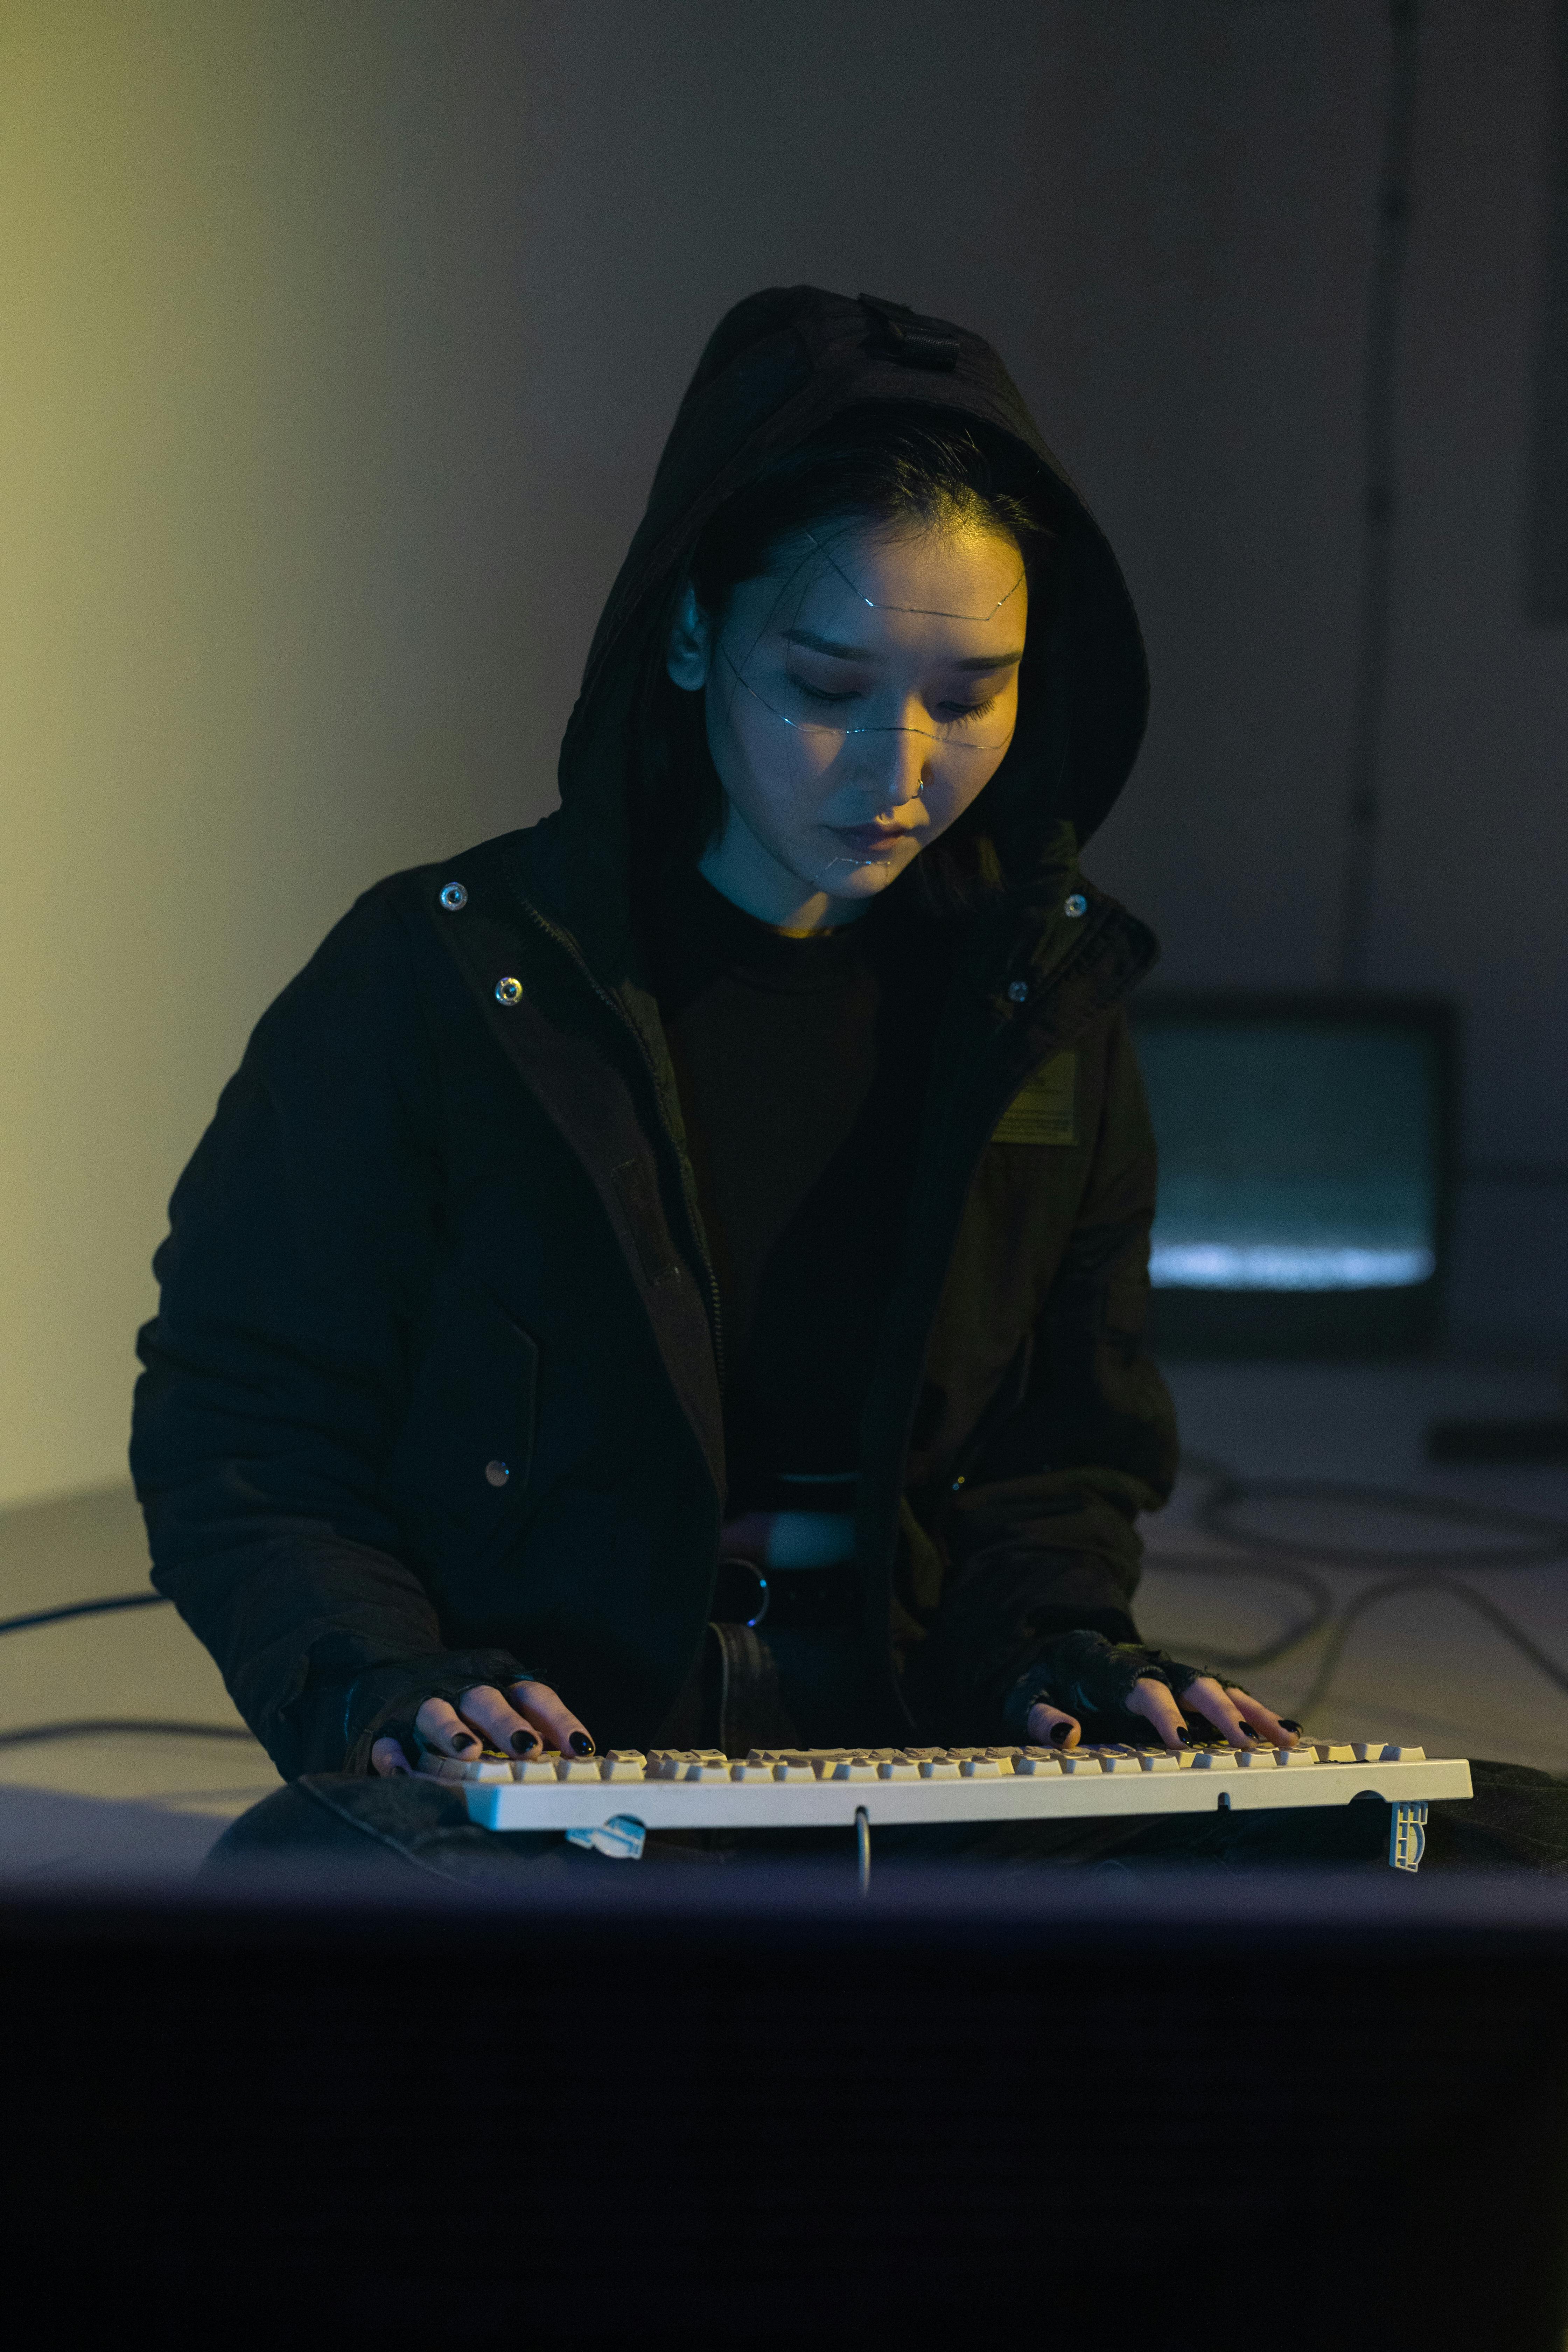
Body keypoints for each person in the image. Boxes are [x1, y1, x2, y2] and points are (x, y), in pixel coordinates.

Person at [129, 286, 1555, 1879]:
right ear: (688, 635)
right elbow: (246, 1417)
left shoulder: (1041, 1007)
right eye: (824, 691)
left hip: (918, 1737)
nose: (899, 775)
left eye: (969, 698)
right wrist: (382, 1684)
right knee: (308, 1920)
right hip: (567, 1759)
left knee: (1495, 1860)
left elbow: (1062, 1461)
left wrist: (1066, 1661)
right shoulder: (441, 978)